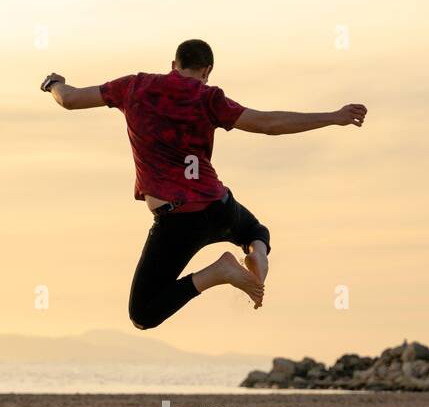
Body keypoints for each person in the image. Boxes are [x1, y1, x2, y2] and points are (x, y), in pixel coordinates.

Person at [41, 39, 367, 330]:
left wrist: (54, 83)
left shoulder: (134, 87)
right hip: (219, 206)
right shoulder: (209, 98)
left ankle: (218, 273)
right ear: (207, 71)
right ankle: (259, 261)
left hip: (177, 221)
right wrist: (333, 116)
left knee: (144, 314)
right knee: (257, 232)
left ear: (173, 65)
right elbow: (270, 124)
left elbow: (68, 100)